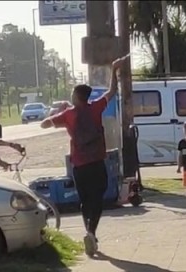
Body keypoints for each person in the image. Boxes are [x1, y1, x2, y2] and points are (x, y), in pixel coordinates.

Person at [39, 58, 124, 257]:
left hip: (79, 164)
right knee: (98, 198)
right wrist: (114, 70)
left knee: (85, 200)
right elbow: (112, 92)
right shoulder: (95, 107)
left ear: (76, 97)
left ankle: (88, 232)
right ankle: (92, 231)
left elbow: (44, 124)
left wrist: (59, 113)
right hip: (97, 162)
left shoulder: (69, 114)